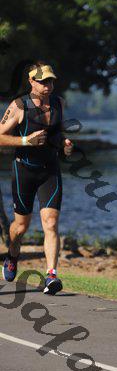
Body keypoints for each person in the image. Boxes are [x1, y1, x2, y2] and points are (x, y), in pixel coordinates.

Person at [0, 61, 73, 294]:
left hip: (50, 170)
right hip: (24, 170)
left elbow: (57, 133)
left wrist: (65, 144)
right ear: (31, 81)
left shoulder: (59, 103)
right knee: (21, 227)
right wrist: (25, 141)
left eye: (50, 81)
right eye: (42, 81)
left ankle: (51, 275)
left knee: (50, 222)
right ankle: (12, 254)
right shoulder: (19, 106)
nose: (47, 86)